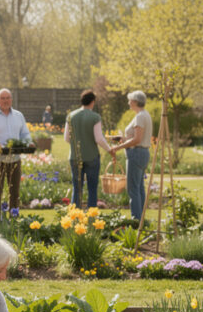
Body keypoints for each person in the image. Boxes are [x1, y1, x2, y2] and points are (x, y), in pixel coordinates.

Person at [65, 89, 114, 208]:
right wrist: (109, 149)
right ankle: (92, 216)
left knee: (77, 188)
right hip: (92, 156)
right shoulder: (95, 117)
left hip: (75, 157)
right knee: (92, 188)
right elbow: (99, 139)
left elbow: (67, 138)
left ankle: (75, 216)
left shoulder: (71, 116)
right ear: (92, 102)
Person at [110, 91, 153, 220]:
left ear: (134, 101)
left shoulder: (140, 116)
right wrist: (122, 138)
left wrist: (118, 147)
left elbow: (137, 140)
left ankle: (136, 220)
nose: (128, 103)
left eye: (129, 100)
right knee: (139, 187)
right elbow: (136, 137)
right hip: (142, 153)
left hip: (136, 153)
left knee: (133, 189)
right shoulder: (145, 115)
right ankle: (141, 220)